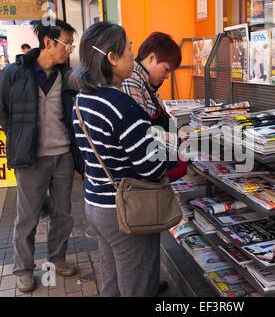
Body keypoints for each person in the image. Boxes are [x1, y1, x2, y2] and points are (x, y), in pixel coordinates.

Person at [69, 21, 169, 297]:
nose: (132, 57)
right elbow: (150, 168)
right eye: (128, 50)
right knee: (138, 286)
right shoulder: (123, 105)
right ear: (112, 59)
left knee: (112, 280)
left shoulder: (81, 99)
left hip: (95, 203)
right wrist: (173, 152)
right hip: (125, 209)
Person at [0, 18, 84, 293]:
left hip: (62, 155)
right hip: (30, 158)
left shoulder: (68, 76)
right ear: (48, 42)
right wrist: (17, 135)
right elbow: (2, 109)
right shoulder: (15, 72)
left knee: (64, 213)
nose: (69, 49)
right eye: (67, 44)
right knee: (27, 216)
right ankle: (24, 269)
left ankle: (57, 259)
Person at [121, 32, 188, 183]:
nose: (166, 76)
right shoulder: (132, 81)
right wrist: (177, 139)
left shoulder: (145, 84)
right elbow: (139, 132)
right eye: (166, 69)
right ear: (151, 58)